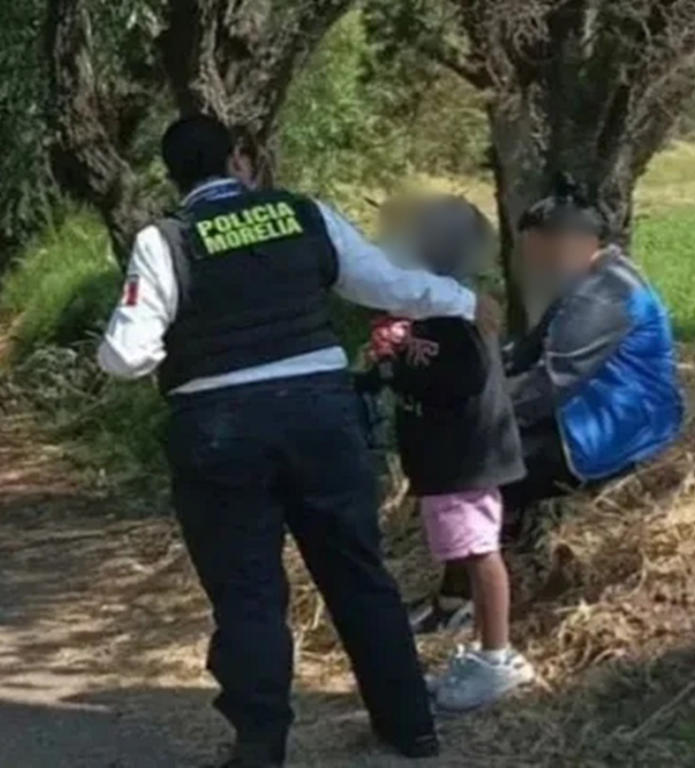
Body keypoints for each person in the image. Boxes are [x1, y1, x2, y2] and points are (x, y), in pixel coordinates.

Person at [97, 114, 501, 768]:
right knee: (358, 573)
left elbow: (126, 355)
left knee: (248, 593)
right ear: (239, 159)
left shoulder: (163, 240)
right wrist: (460, 300)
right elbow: (384, 284)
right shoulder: (302, 213)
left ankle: (260, 746)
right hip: (320, 416)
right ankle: (410, 726)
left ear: (174, 174)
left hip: (218, 428)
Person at [411, 174, 685, 634]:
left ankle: (461, 599)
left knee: (478, 467)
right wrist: (468, 375)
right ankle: (477, 579)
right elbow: (525, 353)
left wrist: (479, 417)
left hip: (616, 425)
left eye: (534, 249)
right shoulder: (591, 279)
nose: (529, 261)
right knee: (484, 453)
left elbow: (554, 380)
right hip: (595, 413)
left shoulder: (607, 293)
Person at [356, 196, 536, 711]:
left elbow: (458, 380)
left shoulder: (460, 311)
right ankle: (477, 643)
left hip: (466, 457)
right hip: (445, 459)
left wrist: (397, 366)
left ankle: (497, 658)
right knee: (469, 551)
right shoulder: (427, 310)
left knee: (482, 553)